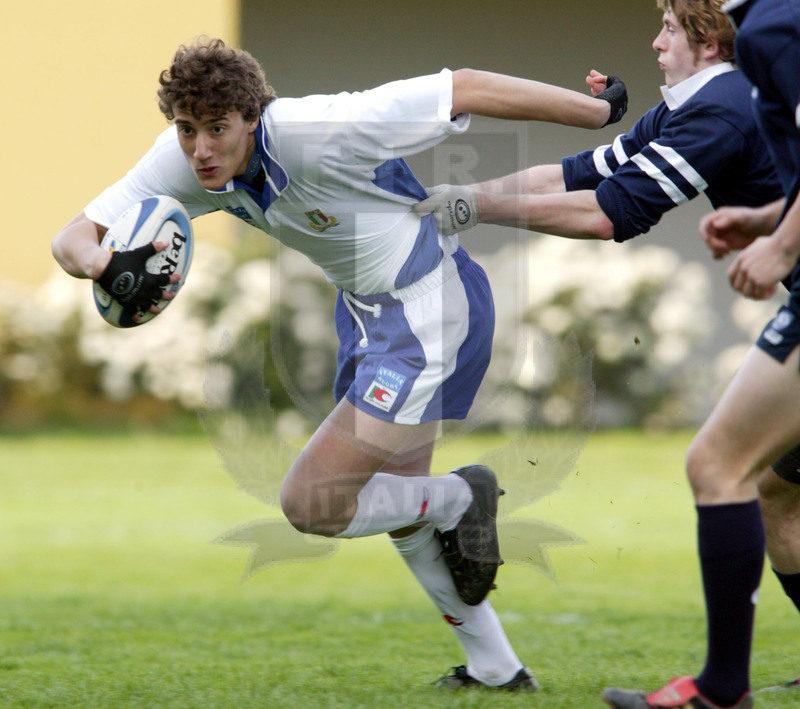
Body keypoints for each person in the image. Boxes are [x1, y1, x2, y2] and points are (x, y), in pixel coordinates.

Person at [50, 39, 628, 692]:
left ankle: (464, 497)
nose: (201, 149)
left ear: (251, 117)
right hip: (369, 316)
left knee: (312, 501)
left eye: (217, 129)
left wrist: (596, 114)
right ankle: (496, 669)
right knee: (399, 504)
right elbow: (72, 236)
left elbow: (462, 86)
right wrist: (102, 266)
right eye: (187, 130)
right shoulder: (181, 161)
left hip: (431, 307)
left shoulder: (314, 130)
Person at [415, 1, 794, 705]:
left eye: (671, 29)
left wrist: (475, 210)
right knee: (777, 491)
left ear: (709, 42)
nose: (655, 43)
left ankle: (721, 691)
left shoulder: (723, 109)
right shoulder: (691, 108)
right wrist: (458, 196)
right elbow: (574, 176)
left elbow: (608, 213)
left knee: (720, 465)